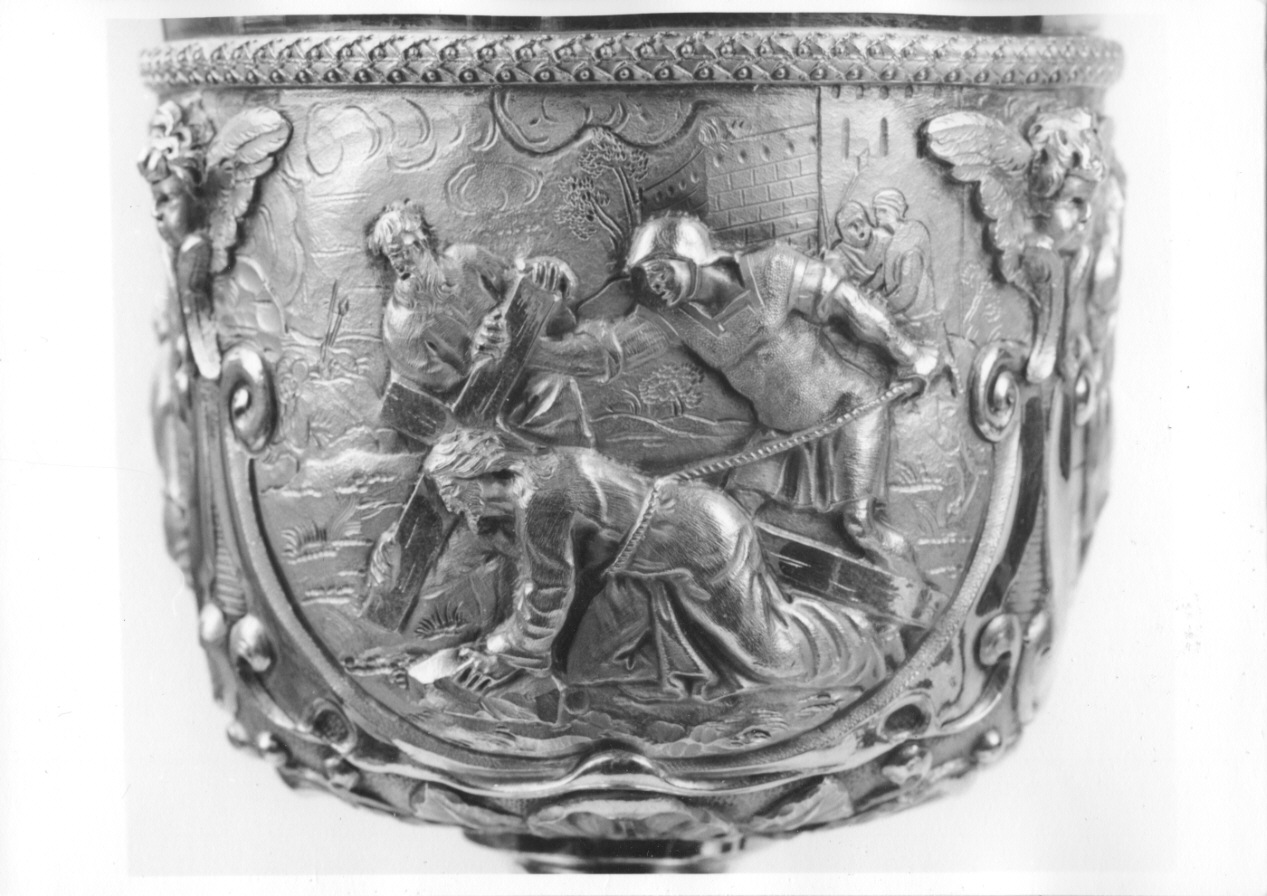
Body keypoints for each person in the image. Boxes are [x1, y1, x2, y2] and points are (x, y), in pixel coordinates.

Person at [486, 213, 942, 573]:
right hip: (781, 436)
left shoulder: (773, 272)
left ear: (693, 256)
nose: (654, 283)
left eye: (660, 269)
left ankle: (912, 583)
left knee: (859, 526)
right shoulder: (675, 319)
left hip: (849, 411)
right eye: (644, 276)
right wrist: (527, 349)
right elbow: (606, 354)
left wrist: (908, 353)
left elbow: (849, 306)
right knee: (736, 514)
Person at [423, 427, 890, 699]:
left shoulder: (539, 500)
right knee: (586, 667)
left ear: (475, 474)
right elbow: (543, 567)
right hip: (647, 568)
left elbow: (548, 591)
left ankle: (863, 644)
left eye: (451, 489)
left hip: (700, 540)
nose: (450, 503)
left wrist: (502, 650)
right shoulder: (541, 471)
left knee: (771, 655)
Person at [870, 189, 940, 341]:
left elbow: (908, 291)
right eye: (876, 210)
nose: (877, 215)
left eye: (882, 210)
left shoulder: (909, 243)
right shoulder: (891, 241)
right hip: (901, 316)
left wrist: (883, 306)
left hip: (918, 321)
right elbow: (882, 274)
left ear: (896, 211)